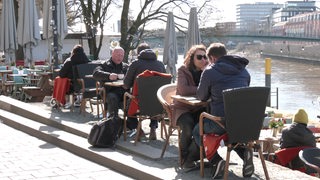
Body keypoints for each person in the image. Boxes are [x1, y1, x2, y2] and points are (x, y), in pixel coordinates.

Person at [193, 42, 251, 179]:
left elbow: (201, 96)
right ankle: (244, 154)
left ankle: (216, 160)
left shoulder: (209, 71)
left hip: (221, 122)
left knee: (197, 130)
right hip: (242, 123)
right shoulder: (244, 71)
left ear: (212, 58)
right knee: (231, 134)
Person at [173, 44, 208, 169]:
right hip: (183, 108)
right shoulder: (183, 69)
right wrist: (201, 89)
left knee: (207, 129)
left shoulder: (208, 71)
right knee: (187, 128)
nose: (203, 60)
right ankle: (183, 157)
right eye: (199, 57)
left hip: (200, 108)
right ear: (191, 58)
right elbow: (183, 90)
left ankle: (192, 157)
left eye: (205, 57)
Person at [123, 42, 166, 140]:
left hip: (139, 102)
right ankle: (153, 128)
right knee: (154, 100)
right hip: (157, 103)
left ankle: (139, 130)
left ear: (138, 53)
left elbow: (125, 85)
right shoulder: (160, 64)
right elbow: (165, 83)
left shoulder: (135, 64)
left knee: (125, 105)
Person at [93, 46, 129, 118]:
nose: (120, 57)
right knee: (112, 97)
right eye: (118, 55)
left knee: (132, 99)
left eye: (122, 55)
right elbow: (95, 74)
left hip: (123, 91)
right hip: (108, 91)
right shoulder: (104, 64)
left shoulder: (126, 66)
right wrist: (108, 76)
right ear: (112, 54)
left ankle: (131, 125)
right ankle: (113, 120)